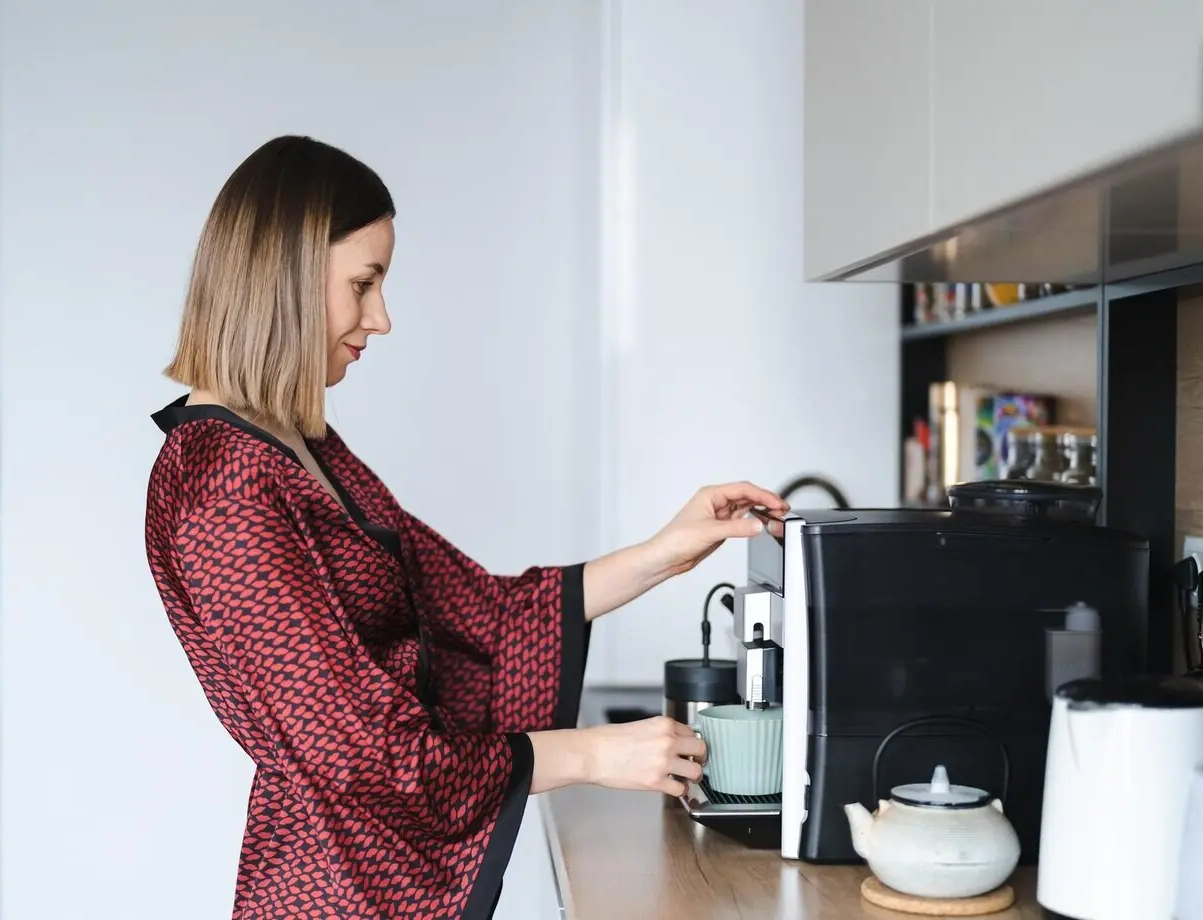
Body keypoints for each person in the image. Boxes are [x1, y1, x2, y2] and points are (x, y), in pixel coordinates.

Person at [143, 135, 789, 920]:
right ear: (286, 275)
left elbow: (478, 612)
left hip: (368, 880)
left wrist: (668, 550)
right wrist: (592, 754)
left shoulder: (300, 445)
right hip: (330, 893)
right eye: (364, 283)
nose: (380, 317)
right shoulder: (224, 485)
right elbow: (361, 756)